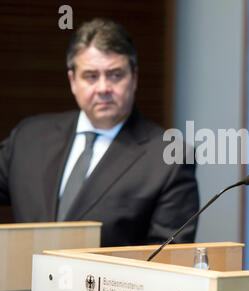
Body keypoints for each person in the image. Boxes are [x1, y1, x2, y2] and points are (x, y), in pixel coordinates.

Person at [0, 18, 199, 247]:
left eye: (115, 74)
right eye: (91, 76)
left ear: (134, 79)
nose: (103, 88)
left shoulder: (170, 159)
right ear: (73, 81)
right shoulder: (30, 137)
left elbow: (169, 260)